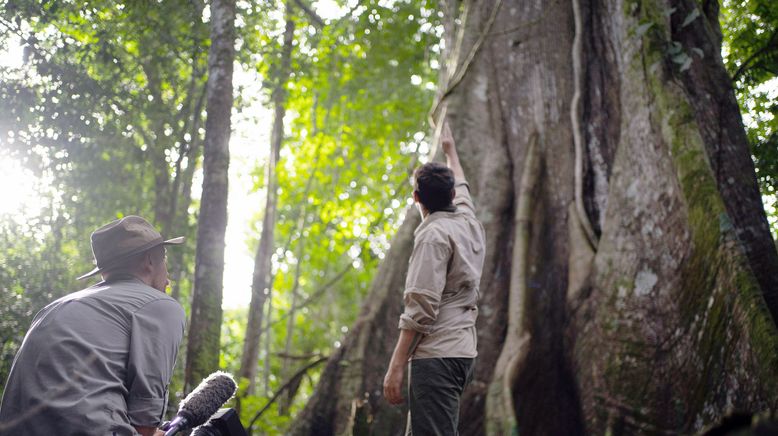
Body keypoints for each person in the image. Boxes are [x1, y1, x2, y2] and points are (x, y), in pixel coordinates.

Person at [0, 215, 186, 436]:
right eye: (163, 258)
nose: (168, 278)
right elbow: (144, 425)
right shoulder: (160, 305)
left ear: (105, 271)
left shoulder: (55, 306)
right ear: (149, 261)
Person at [383, 121, 486, 435]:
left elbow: (421, 307)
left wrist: (396, 366)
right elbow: (464, 184)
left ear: (416, 198)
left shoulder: (433, 236)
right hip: (462, 351)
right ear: (453, 194)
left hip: (437, 356)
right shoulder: (468, 220)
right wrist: (450, 151)